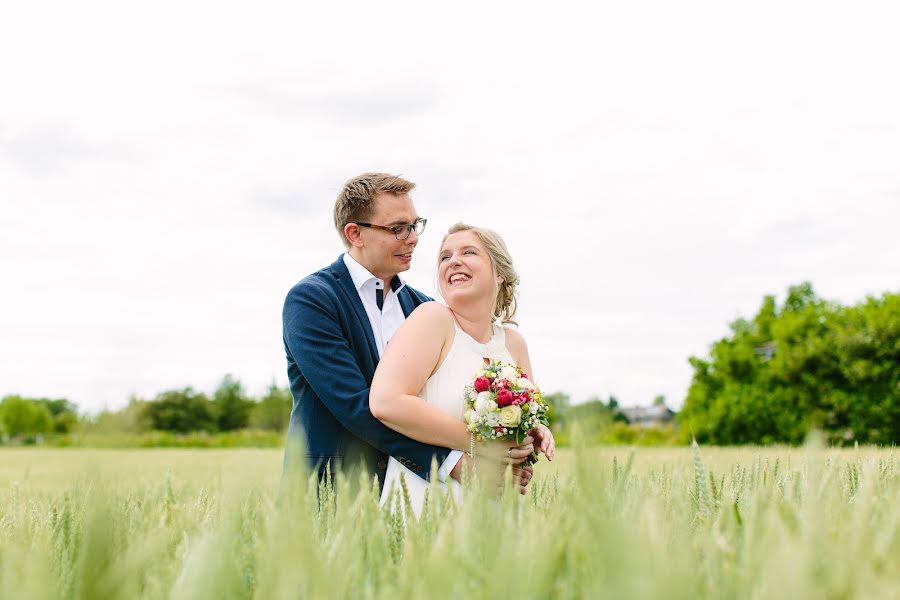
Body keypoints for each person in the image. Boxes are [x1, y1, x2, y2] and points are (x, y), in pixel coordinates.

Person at [281, 173, 534, 494]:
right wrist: (455, 460)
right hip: (332, 486)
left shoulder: (424, 307)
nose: (413, 238)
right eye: (398, 228)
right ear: (355, 233)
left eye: (416, 225)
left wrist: (511, 451)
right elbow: (354, 405)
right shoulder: (312, 299)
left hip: (414, 489)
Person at [370, 222, 555, 513]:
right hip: (428, 503)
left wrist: (534, 433)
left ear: (499, 274)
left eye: (469, 252)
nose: (453, 261)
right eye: (445, 257)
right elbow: (386, 401)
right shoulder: (433, 319)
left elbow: (518, 425)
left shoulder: (514, 343)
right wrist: (481, 444)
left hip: (495, 507)